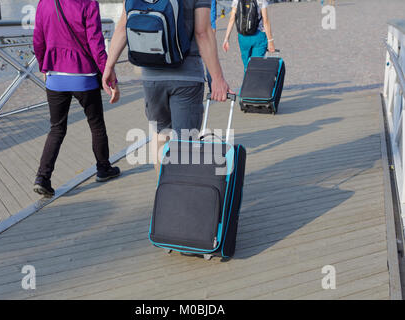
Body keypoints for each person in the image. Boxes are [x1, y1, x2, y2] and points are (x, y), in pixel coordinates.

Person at [104, 0, 233, 176]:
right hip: (186, 76)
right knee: (185, 143)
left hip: (151, 76)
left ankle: (162, 191)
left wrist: (109, 67)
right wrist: (217, 78)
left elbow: (122, 28)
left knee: (160, 135)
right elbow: (202, 32)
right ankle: (180, 194)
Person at [33, 0, 121, 197]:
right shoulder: (88, 3)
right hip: (84, 76)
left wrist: (43, 66)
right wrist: (108, 73)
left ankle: (42, 178)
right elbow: (95, 42)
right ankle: (103, 168)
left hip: (55, 75)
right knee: (96, 123)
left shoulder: (44, 3)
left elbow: (38, 40)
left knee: (56, 128)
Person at [222, 0, 276, 71]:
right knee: (257, 65)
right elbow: (265, 21)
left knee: (247, 66)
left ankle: (247, 80)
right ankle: (256, 80)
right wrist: (270, 40)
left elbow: (232, 19)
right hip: (258, 36)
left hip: (243, 37)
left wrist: (226, 39)